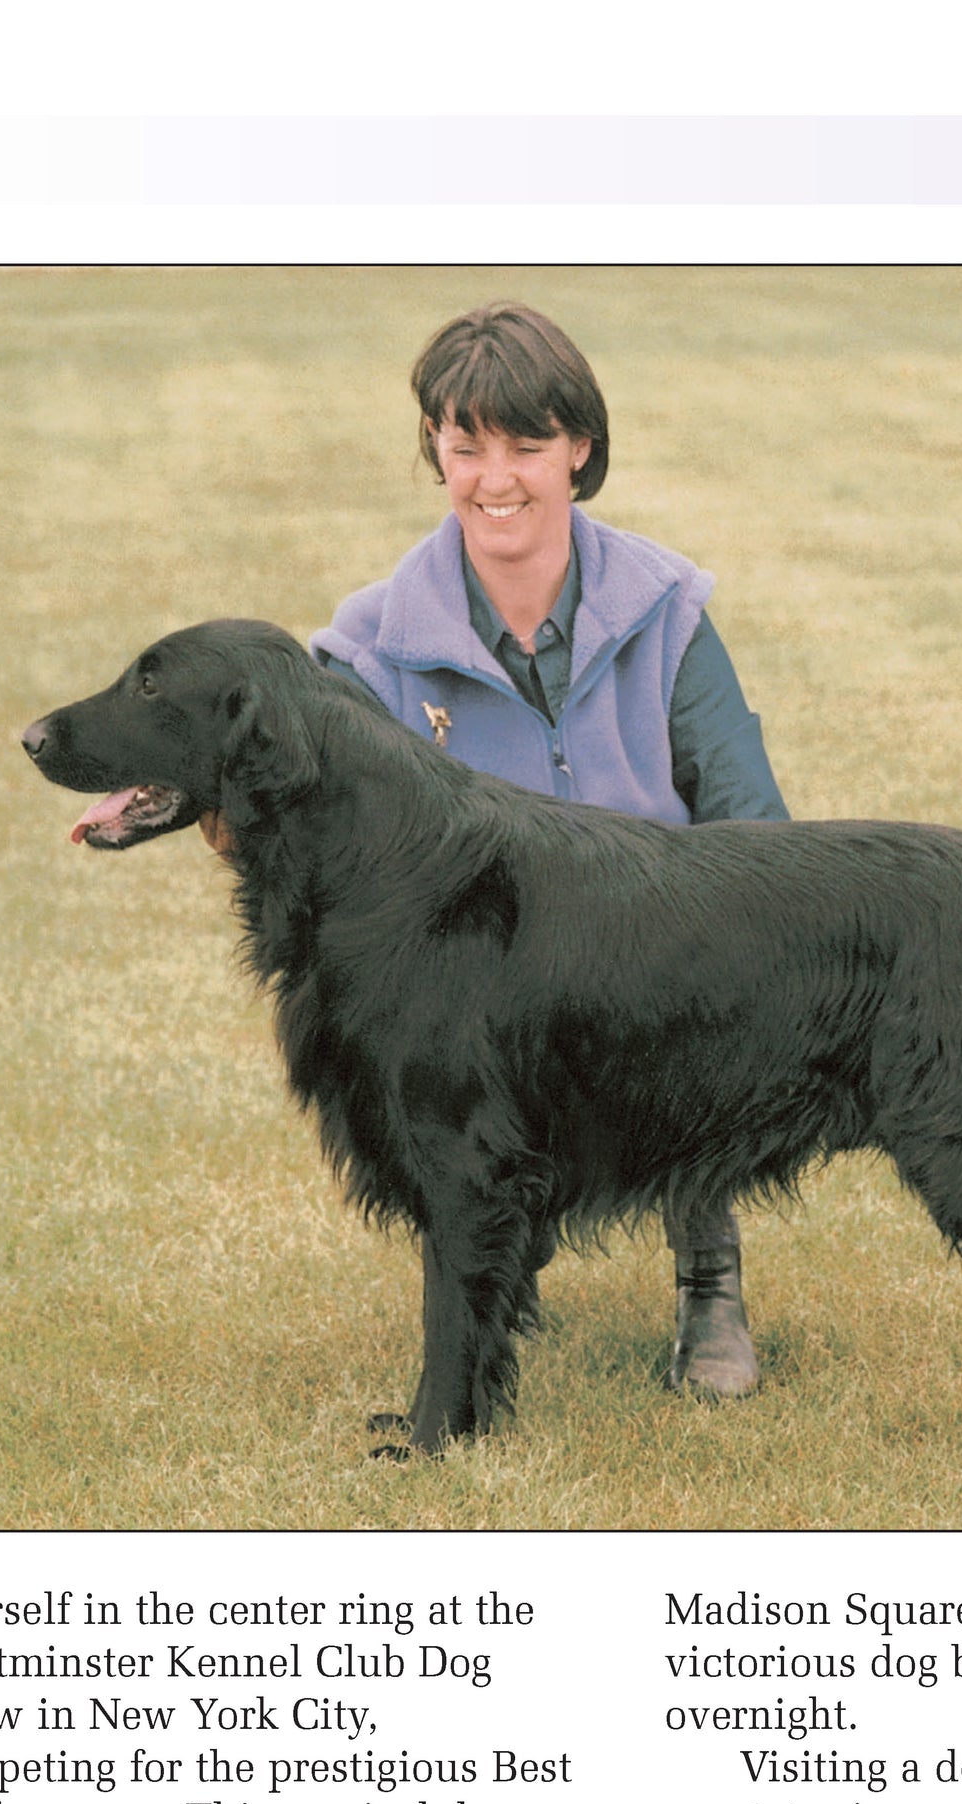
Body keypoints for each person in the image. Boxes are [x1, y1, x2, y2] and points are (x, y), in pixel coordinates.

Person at [310, 301, 789, 1401]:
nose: (495, 479)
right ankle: (491, 1260)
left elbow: (752, 827)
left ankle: (708, 1276)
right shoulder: (369, 647)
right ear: (433, 447)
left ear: (580, 449)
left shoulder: (666, 610)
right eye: (464, 444)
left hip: (657, 963)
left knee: (722, 958)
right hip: (487, 992)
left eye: (526, 445)